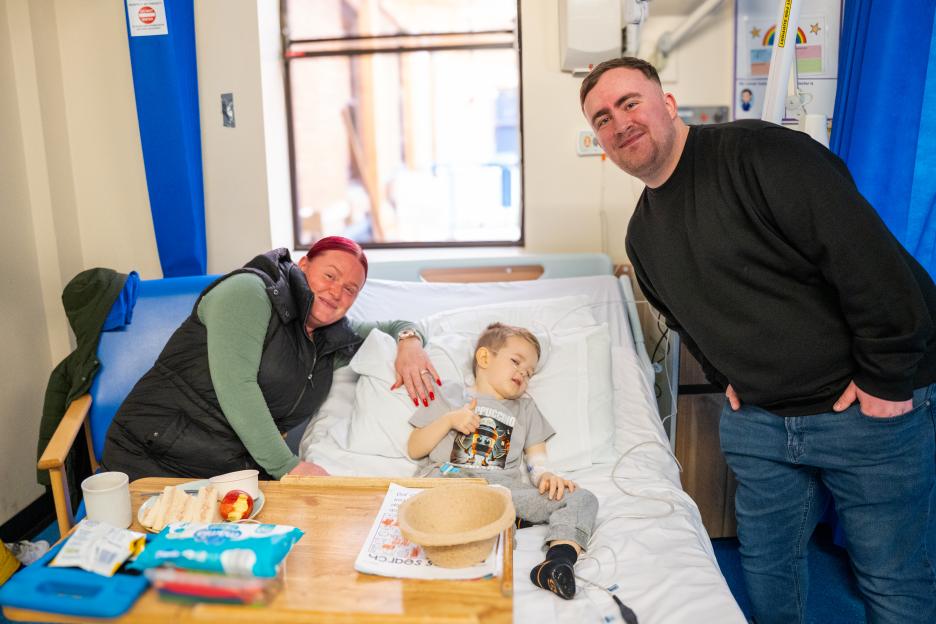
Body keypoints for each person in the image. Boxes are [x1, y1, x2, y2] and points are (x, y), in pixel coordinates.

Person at [579, 56, 936, 624]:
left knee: (893, 579)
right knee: (767, 573)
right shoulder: (643, 236)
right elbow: (684, 321)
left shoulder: (760, 156)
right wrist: (728, 380)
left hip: (864, 414)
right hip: (762, 426)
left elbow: (869, 261)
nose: (619, 123)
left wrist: (886, 376)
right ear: (600, 141)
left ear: (667, 104)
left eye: (630, 103)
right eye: (602, 118)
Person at [103, 237, 440, 482]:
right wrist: (288, 467)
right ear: (303, 265)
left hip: (229, 471)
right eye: (330, 276)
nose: (337, 292)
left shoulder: (329, 337)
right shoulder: (249, 292)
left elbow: (393, 327)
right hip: (155, 457)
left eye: (351, 289)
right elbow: (237, 387)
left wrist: (409, 343)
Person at [407, 322, 598, 600]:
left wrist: (545, 476)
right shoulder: (450, 395)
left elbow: (536, 460)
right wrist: (449, 420)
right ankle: (496, 531)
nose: (523, 373)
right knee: (466, 522)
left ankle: (557, 562)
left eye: (529, 372)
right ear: (484, 358)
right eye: (516, 362)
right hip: (449, 479)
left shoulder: (526, 408)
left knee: (583, 498)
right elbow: (415, 447)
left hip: (502, 489)